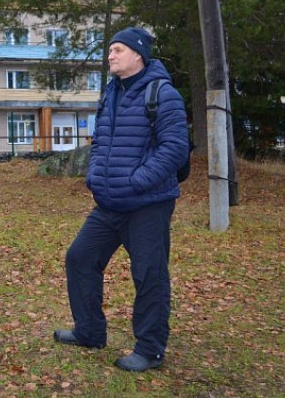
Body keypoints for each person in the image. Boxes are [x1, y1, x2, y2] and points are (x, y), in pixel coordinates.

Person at [53, 27, 189, 372]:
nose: (110, 56)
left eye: (116, 50)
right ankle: (90, 331)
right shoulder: (111, 93)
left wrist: (136, 181)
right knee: (80, 258)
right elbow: (100, 142)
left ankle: (149, 349)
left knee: (149, 274)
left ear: (137, 54)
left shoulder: (163, 93)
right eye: (110, 50)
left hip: (148, 203)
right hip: (109, 202)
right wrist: (95, 177)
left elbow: (175, 149)